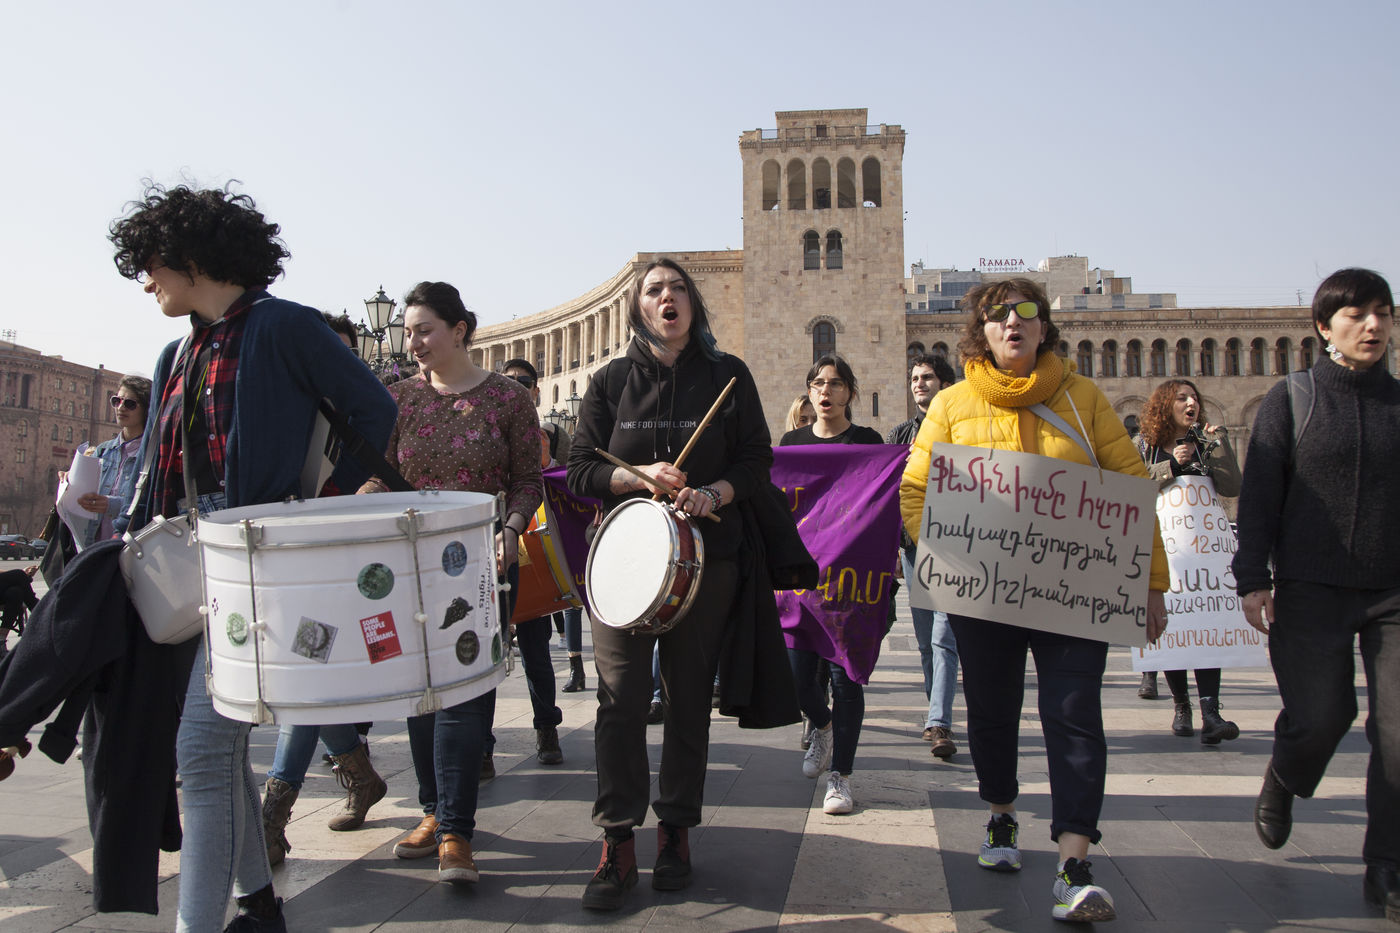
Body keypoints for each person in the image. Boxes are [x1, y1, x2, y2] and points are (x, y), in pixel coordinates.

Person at [110, 182, 396, 933]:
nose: (145, 281)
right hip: (192, 571)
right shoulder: (176, 352)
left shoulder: (285, 326)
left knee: (203, 748)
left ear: (190, 256)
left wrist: (316, 507)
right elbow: (159, 474)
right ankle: (259, 904)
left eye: (149, 264)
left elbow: (375, 409)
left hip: (263, 569)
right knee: (219, 749)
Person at [899, 278, 1169, 924]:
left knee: (1074, 713)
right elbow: (915, 490)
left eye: (1026, 312)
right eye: (998, 315)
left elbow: (1132, 486)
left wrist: (1152, 582)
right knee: (992, 711)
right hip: (985, 593)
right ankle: (1001, 813)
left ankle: (1074, 864)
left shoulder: (1083, 398)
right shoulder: (952, 405)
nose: (1012, 323)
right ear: (982, 331)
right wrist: (949, 553)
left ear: (1044, 327)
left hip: (1074, 590)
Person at [567, 258, 772, 910]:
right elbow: (579, 469)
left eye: (678, 287)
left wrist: (717, 491)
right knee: (620, 700)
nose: (667, 298)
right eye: (654, 290)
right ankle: (618, 839)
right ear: (638, 307)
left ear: (692, 303)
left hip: (705, 560)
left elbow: (757, 459)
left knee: (687, 700)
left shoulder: (728, 375)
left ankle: (676, 830)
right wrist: (635, 477)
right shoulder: (609, 381)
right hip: (622, 563)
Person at [1235, 268, 1400, 919]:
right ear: (1324, 327)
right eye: (1357, 314)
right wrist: (1253, 577)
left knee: (1398, 732)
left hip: (1393, 589)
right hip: (1310, 586)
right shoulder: (1293, 398)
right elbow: (1260, 492)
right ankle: (1287, 772)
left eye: (1382, 312)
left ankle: (1386, 864)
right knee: (1323, 715)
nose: (1373, 325)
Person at [373, 283, 543, 885]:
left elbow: (528, 479)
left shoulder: (508, 399)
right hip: (411, 564)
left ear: (460, 330)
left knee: (466, 693)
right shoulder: (398, 400)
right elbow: (380, 476)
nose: (414, 343)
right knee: (420, 692)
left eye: (424, 330)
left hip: (481, 562)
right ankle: (432, 810)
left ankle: (456, 831)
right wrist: (363, 499)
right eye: (408, 332)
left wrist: (511, 529)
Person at [780, 353, 881, 815]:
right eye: (818, 383)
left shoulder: (867, 442)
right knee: (797, 681)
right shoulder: (792, 443)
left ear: (850, 393)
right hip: (801, 582)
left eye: (836, 383)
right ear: (809, 390)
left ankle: (841, 776)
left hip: (849, 585)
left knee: (846, 681)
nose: (826, 391)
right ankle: (821, 727)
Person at [1135, 379, 1242, 744]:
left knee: (1205, 625)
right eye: (1181, 397)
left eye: (1193, 397)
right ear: (1165, 405)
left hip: (1203, 555)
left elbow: (1232, 486)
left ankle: (1211, 712)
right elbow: (1130, 483)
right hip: (1163, 550)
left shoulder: (1207, 443)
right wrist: (1171, 466)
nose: (1190, 402)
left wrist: (1218, 444)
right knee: (1173, 628)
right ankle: (1182, 705)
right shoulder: (1145, 446)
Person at [886, 352, 959, 759]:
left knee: (944, 637)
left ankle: (939, 721)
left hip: (955, 548)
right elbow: (887, 491)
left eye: (927, 377)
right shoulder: (900, 435)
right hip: (914, 547)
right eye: (914, 378)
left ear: (945, 384)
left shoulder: (962, 430)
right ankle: (936, 710)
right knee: (926, 640)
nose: (919, 384)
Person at [498, 357, 566, 765]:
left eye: (523, 382)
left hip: (533, 552)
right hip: (495, 547)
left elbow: (565, 481)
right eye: (508, 381)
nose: (516, 387)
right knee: (486, 648)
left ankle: (547, 727)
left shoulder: (550, 435)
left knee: (536, 649)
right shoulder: (488, 428)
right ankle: (482, 745)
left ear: (536, 391)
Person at [70, 375, 152, 548]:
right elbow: (82, 494)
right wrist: (69, 481)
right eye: (117, 401)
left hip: (132, 548)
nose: (121, 408)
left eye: (130, 403)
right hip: (94, 546)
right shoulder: (103, 451)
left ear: (147, 408)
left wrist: (112, 504)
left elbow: (150, 505)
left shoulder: (153, 455)